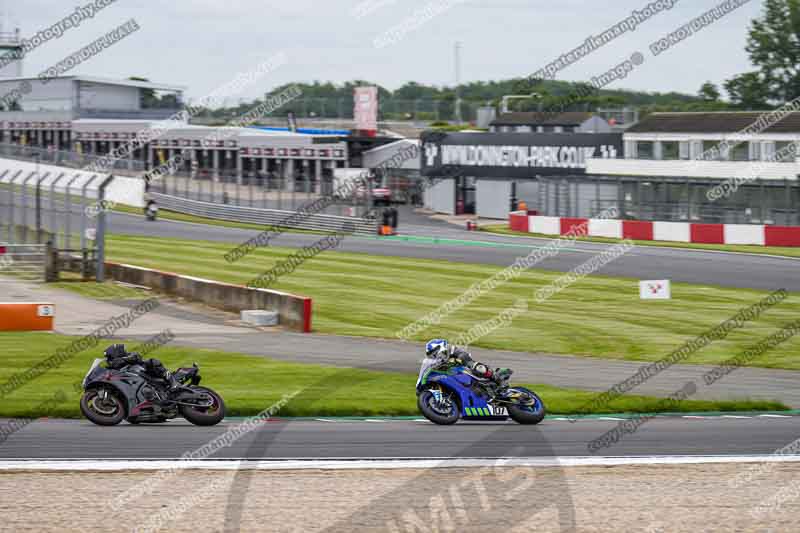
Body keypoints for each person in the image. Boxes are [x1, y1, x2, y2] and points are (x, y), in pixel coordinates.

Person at [425, 339, 512, 388]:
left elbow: (463, 355)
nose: (434, 356)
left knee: (475, 367)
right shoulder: (438, 361)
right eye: (432, 355)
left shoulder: (451, 349)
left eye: (434, 353)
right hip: (455, 376)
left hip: (465, 368)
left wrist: (458, 359)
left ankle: (495, 376)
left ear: (440, 347)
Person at [103, 344, 178, 391]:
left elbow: (137, 357)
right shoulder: (114, 367)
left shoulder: (130, 355)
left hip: (147, 373)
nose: (108, 360)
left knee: (152, 361)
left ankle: (172, 382)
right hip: (134, 385)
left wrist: (123, 359)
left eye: (109, 357)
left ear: (116, 353)